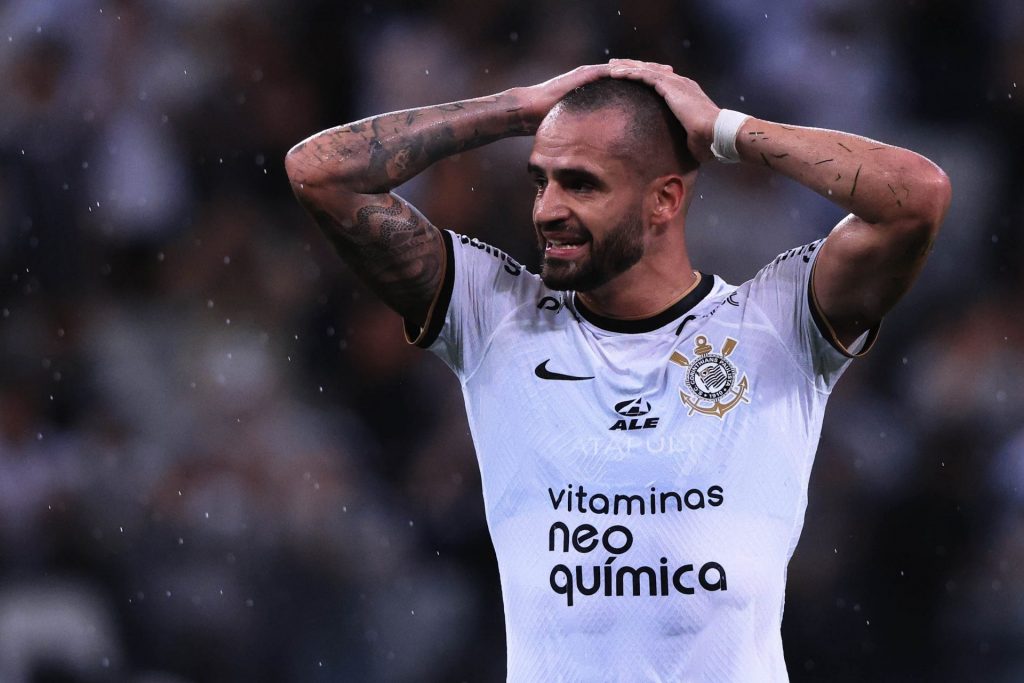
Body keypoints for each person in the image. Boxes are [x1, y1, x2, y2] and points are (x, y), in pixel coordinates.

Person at [284, 59, 950, 681]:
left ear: (664, 200)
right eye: (540, 179)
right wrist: (521, 110)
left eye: (580, 183)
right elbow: (320, 171)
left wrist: (724, 130)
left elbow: (917, 195)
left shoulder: (774, 322)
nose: (546, 208)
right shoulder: (495, 315)